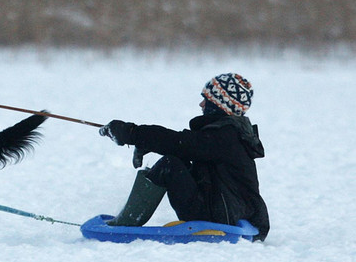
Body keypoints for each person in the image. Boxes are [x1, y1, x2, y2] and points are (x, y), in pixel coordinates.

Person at [100, 73, 269, 241]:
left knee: (170, 165)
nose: (201, 104)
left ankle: (126, 223)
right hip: (229, 211)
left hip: (222, 216)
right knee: (178, 160)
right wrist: (146, 143)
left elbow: (179, 143)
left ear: (219, 105)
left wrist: (132, 133)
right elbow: (185, 148)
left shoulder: (224, 137)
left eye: (207, 100)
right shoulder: (232, 135)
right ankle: (128, 218)